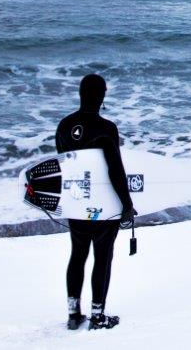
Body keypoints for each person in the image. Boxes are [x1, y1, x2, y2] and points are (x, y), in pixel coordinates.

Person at [55, 73, 137, 330]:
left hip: (76, 202)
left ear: (80, 94)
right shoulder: (106, 128)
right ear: (102, 98)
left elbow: (66, 168)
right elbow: (114, 169)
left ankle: (73, 315)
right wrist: (126, 204)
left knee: (77, 255)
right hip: (102, 206)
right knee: (102, 257)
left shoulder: (64, 126)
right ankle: (97, 316)